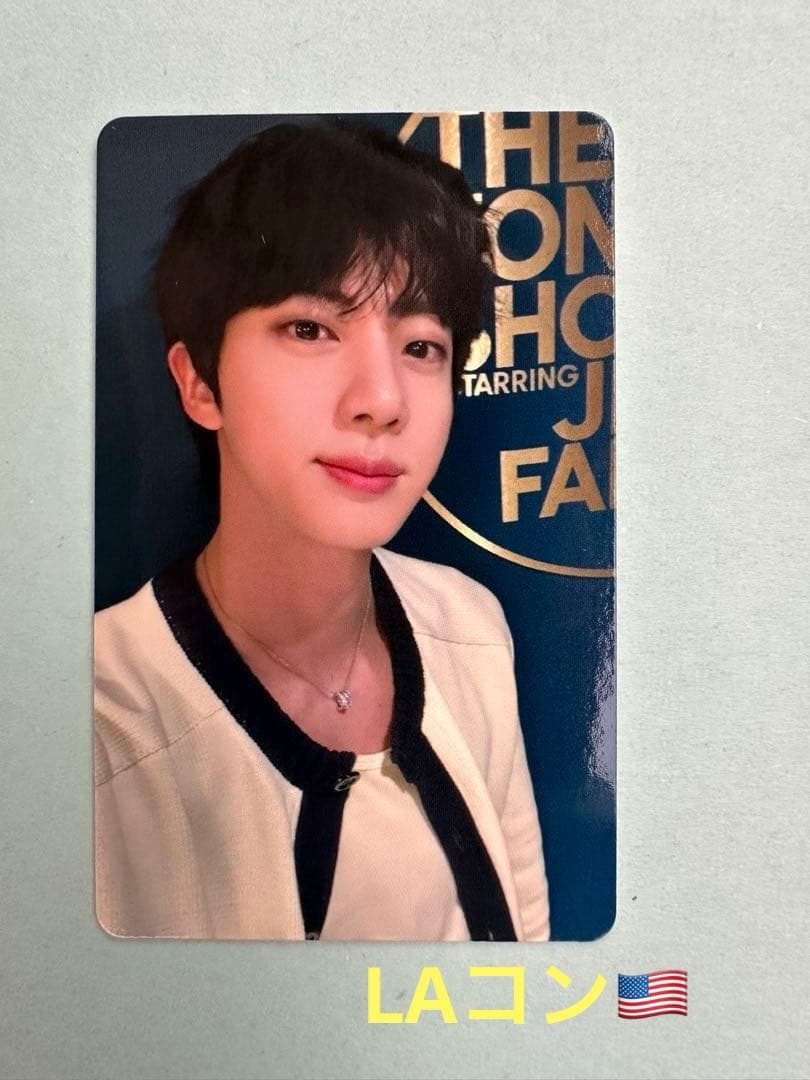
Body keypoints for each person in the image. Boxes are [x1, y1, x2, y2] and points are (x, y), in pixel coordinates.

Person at [94, 120, 549, 941]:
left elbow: (531, 956)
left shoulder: (468, 625)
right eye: (310, 329)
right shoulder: (98, 716)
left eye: (421, 346)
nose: (382, 399)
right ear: (199, 383)